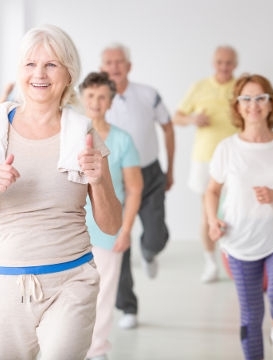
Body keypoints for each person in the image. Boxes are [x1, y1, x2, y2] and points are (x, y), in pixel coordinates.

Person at [0, 24, 122, 360]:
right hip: (1, 283)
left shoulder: (84, 133)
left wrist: (96, 179)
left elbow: (111, 225)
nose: (40, 73)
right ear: (20, 71)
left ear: (68, 74)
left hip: (70, 281)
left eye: (51, 64)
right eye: (30, 64)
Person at [205, 73, 273, 360]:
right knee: (251, 317)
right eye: (246, 99)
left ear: (270, 103)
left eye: (260, 98)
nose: (254, 104)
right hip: (239, 241)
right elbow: (211, 191)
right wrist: (213, 220)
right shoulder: (227, 149)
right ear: (238, 106)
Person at [99, 43, 175, 329]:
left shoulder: (148, 94)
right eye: (108, 62)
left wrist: (171, 168)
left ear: (128, 66)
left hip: (150, 173)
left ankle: (150, 251)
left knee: (156, 235)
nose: (114, 67)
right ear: (102, 68)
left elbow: (168, 127)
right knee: (119, 243)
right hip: (116, 178)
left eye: (119, 62)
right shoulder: (97, 99)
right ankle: (127, 306)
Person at [79, 71, 143, 360]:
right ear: (82, 97)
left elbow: (134, 189)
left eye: (102, 96)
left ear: (110, 102)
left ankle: (97, 350)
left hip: (106, 232)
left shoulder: (122, 140)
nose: (95, 101)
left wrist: (126, 230)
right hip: (70, 229)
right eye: (91, 95)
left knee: (103, 295)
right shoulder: (69, 133)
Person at [172, 45, 238, 283]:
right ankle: (211, 264)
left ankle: (234, 261)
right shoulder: (199, 87)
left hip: (235, 158)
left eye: (228, 63)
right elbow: (176, 117)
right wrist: (192, 119)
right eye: (220, 62)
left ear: (235, 64)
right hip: (204, 158)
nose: (224, 67)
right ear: (214, 62)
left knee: (235, 212)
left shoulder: (240, 88)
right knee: (208, 214)